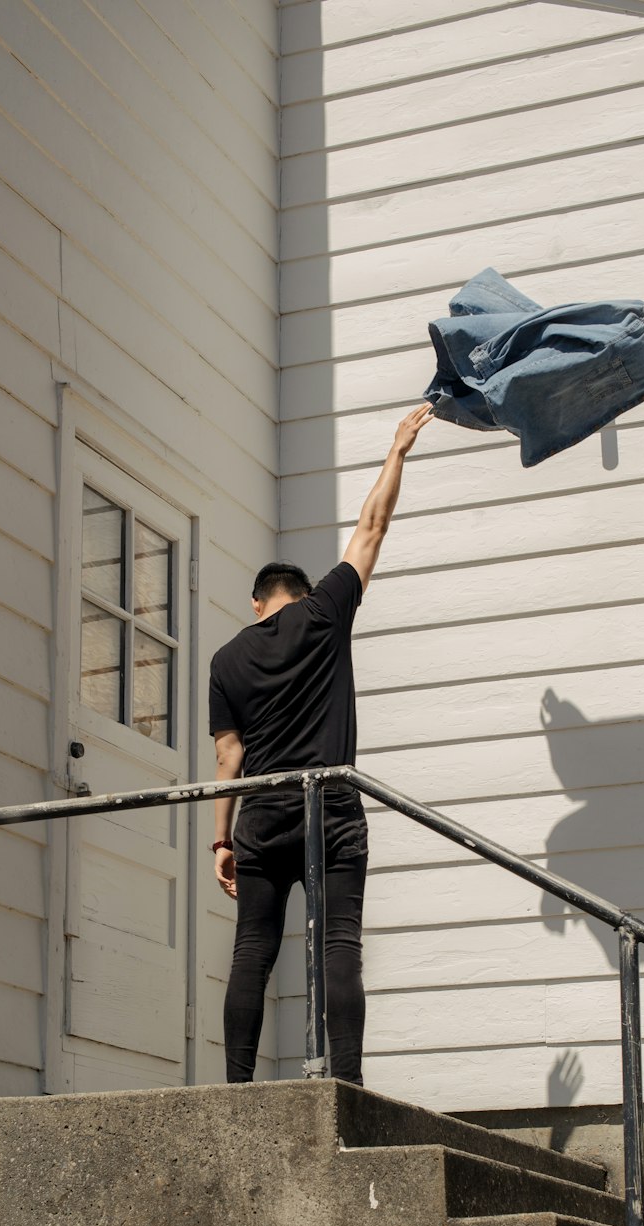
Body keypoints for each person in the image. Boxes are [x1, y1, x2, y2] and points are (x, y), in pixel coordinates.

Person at [208, 404, 433, 1084]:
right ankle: (348, 1083)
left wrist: (223, 840)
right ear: (304, 595)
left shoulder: (227, 659)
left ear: (257, 602)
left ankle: (237, 1088)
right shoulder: (327, 611)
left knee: (253, 948)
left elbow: (228, 757)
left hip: (265, 815)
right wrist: (397, 450)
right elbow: (371, 527)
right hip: (331, 807)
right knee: (340, 945)